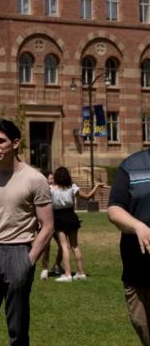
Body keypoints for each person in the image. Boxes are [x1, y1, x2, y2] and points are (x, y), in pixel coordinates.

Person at [0, 119, 54, 346]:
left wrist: (29, 260)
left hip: (18, 254)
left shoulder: (35, 179)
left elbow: (47, 226)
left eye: (0, 141)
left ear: (15, 143)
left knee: (17, 331)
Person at [107, 148, 150, 345]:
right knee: (143, 326)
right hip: (139, 270)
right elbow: (115, 208)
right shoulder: (131, 166)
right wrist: (137, 226)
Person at [48, 166, 103, 282]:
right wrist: (96, 186)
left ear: (56, 177)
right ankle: (80, 273)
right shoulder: (72, 187)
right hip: (72, 216)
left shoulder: (51, 189)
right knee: (75, 246)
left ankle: (67, 275)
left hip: (59, 217)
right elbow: (88, 197)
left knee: (64, 247)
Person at [39, 171, 62, 280]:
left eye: (53, 178)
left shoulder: (56, 189)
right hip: (45, 223)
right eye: (50, 178)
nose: (52, 180)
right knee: (46, 247)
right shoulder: (42, 190)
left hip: (57, 222)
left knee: (63, 246)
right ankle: (44, 270)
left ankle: (57, 265)